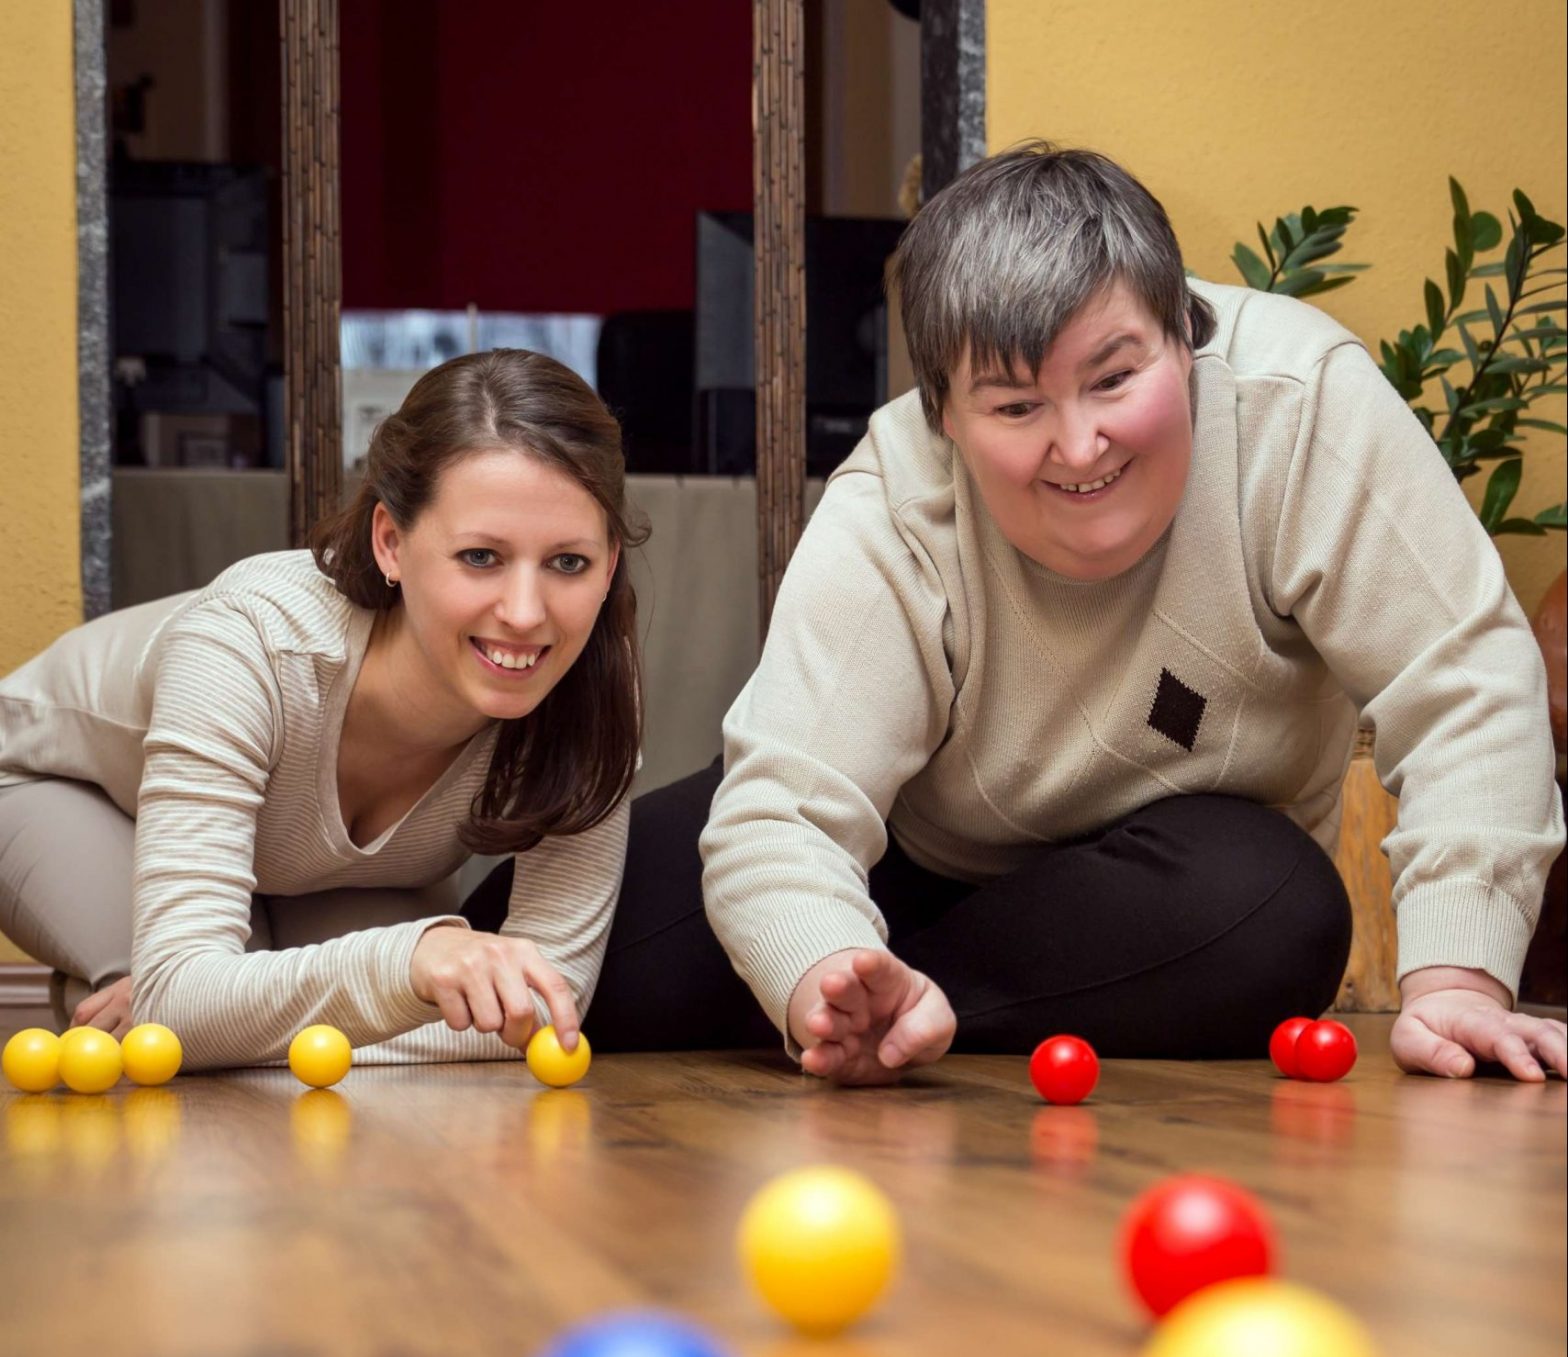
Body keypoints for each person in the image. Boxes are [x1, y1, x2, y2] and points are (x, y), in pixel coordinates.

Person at [603, 143, 1566, 1086]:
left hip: (1169, 883)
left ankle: (914, 1012)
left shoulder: (1301, 406)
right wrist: (826, 963)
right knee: (574, 945)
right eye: (1017, 407)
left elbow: (1466, 680)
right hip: (906, 850)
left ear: (1185, 341)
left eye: (1113, 379)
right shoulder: (894, 497)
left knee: (1276, 910)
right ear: (943, 415)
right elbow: (783, 810)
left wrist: (1460, 982)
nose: (1079, 445)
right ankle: (881, 1003)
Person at [0, 349, 646, 1070]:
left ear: (611, 560)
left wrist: (220, 1021)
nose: (526, 615)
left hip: (320, 876)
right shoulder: (248, 644)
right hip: (64, 788)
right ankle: (133, 972)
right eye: (480, 557)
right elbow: (191, 995)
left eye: (568, 562)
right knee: (257, 996)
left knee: (263, 1011)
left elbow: (542, 1012)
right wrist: (183, 999)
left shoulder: (588, 687)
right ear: (391, 543)